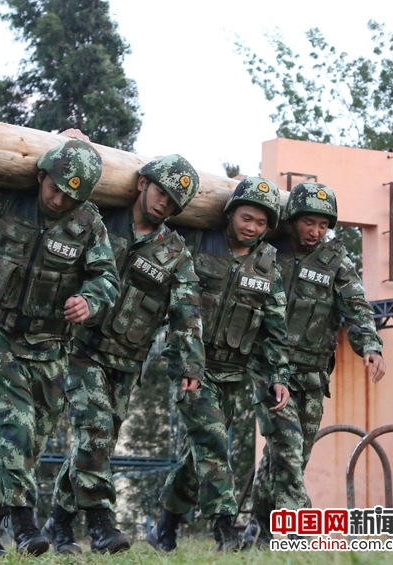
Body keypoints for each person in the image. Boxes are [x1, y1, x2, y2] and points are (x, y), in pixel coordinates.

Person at [0, 132, 120, 557]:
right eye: (55, 188)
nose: (59, 200)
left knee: (28, 445)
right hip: (0, 335)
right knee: (14, 429)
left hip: (52, 346)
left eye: (71, 195)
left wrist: (89, 300)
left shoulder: (88, 222)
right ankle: (24, 526)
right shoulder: (9, 202)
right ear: (42, 175)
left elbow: (106, 278)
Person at [44, 155, 205, 555]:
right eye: (160, 191)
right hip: (79, 348)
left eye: (173, 201)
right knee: (95, 431)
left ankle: (59, 523)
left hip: (127, 360)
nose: (164, 203)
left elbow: (187, 309)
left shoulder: (174, 252)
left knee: (95, 444)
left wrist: (190, 362)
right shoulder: (99, 220)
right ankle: (101, 525)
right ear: (142, 184)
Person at [147, 177, 291, 552]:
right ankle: (225, 530)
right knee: (212, 442)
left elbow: (275, 328)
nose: (252, 228)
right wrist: (190, 365)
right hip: (190, 366)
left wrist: (278, 376)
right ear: (230, 214)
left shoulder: (268, 267)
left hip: (233, 372)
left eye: (261, 224)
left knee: (200, 454)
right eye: (246, 218)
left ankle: (165, 526)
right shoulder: (196, 243)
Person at [243, 182, 386, 548]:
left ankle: (257, 530)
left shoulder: (336, 260)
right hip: (270, 368)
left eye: (323, 225)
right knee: (288, 450)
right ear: (292, 221)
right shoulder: (268, 252)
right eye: (309, 223)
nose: (316, 232)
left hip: (313, 375)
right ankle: (298, 535)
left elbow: (356, 307)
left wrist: (370, 345)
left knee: (289, 457)